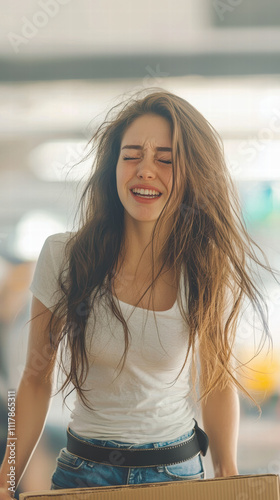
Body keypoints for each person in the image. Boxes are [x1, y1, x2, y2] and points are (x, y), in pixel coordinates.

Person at [0, 88, 277, 496]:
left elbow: (217, 382)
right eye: (132, 156)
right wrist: (6, 480)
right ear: (114, 167)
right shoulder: (64, 255)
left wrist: (228, 475)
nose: (145, 170)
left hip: (177, 476)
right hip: (83, 476)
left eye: (164, 159)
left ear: (189, 174)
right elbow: (34, 379)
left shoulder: (204, 264)